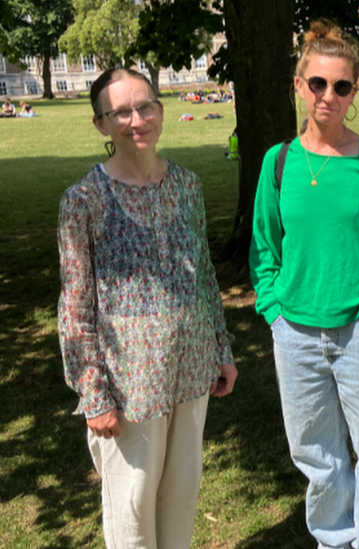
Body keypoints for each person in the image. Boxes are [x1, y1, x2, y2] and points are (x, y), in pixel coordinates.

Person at [250, 20, 359, 549]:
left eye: (341, 86)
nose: (329, 96)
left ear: (354, 92)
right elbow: (263, 248)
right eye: (318, 84)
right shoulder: (277, 163)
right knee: (317, 457)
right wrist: (274, 308)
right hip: (295, 336)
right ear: (300, 85)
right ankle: (331, 540)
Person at [57, 67, 238, 549]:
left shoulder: (187, 185)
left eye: (145, 106)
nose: (137, 119)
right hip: (128, 383)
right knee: (133, 507)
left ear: (159, 109)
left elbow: (202, 272)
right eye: (121, 112)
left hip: (191, 368)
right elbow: (75, 307)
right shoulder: (83, 201)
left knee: (181, 497)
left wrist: (222, 347)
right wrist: (92, 393)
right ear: (101, 124)